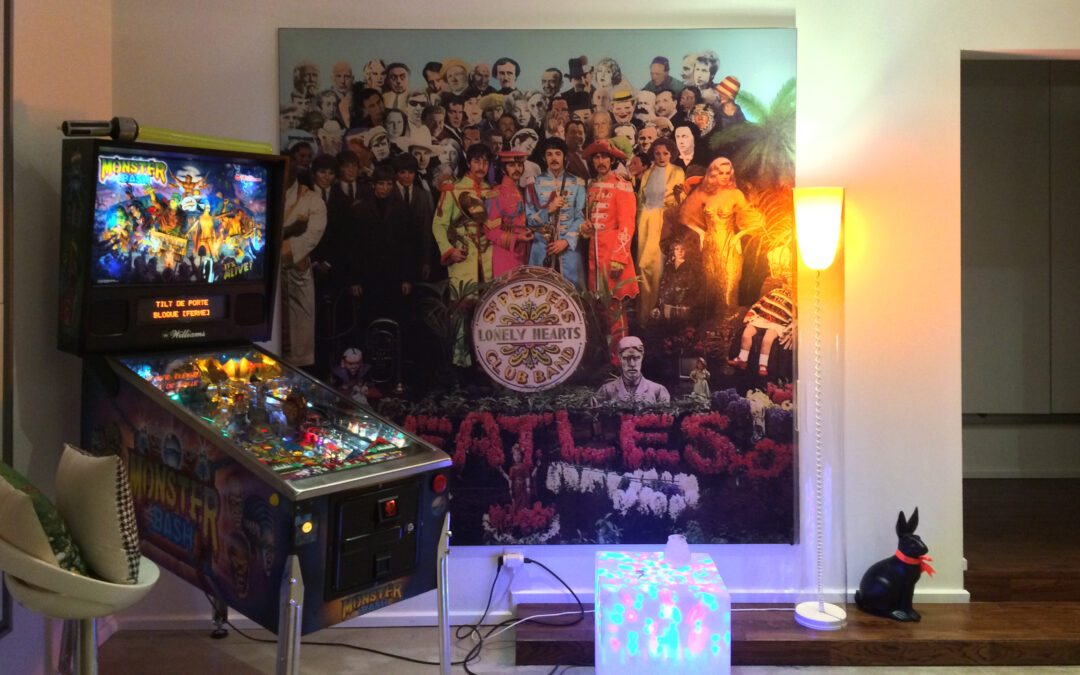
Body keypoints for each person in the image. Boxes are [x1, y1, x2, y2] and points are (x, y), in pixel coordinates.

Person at [579, 139, 639, 360]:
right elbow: (590, 219)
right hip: (595, 253)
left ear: (612, 160)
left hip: (614, 251)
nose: (600, 161)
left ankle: (619, 357)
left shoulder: (622, 184)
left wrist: (619, 258)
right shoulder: (592, 185)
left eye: (604, 157)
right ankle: (605, 356)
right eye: (596, 157)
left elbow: (627, 225)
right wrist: (585, 228)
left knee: (615, 307)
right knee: (600, 307)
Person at [679, 157, 756, 312]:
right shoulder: (703, 194)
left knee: (728, 287)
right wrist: (701, 233)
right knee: (712, 287)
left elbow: (753, 221)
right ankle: (713, 323)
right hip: (710, 245)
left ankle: (727, 322)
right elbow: (685, 215)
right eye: (721, 173)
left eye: (728, 173)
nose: (725, 176)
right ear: (713, 174)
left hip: (729, 245)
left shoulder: (736, 194)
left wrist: (738, 236)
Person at [281, 160, 327, 367]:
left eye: (288, 170)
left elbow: (312, 236)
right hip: (267, 273)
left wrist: (284, 250)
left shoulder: (312, 200)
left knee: (298, 331)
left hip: (296, 269)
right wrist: (290, 231)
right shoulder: (260, 195)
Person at [524, 137, 586, 288]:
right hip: (541, 248)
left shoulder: (577, 183)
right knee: (539, 290)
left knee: (572, 292)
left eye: (558, 153)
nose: (554, 158)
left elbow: (580, 217)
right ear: (544, 157)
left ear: (564, 156)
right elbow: (529, 219)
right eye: (549, 154)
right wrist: (548, 210)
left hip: (569, 249)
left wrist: (566, 241)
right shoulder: (534, 184)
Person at [635, 137, 684, 321]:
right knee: (643, 266)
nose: (661, 157)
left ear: (671, 154)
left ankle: (660, 317)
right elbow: (641, 200)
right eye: (657, 154)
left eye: (665, 153)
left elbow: (681, 200)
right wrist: (640, 223)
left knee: (660, 268)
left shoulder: (677, 171)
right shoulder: (648, 173)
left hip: (665, 222)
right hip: (646, 223)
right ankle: (644, 316)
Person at [432, 143, 495, 286]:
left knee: (489, 298)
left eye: (485, 162)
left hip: (489, 259)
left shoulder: (492, 190)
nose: (481, 166)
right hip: (463, 256)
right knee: (463, 297)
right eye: (477, 161)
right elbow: (439, 225)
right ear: (468, 163)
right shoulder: (453, 190)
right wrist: (449, 250)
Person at [485, 150, 534, 276]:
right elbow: (490, 231)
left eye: (519, 165)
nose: (517, 169)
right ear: (503, 169)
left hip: (524, 252)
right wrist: (516, 238)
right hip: (505, 252)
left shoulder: (522, 191)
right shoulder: (495, 194)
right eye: (511, 165)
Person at [729, 286, 794, 376]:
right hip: (762, 318)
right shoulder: (775, 291)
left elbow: (796, 317)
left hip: (777, 323)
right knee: (747, 333)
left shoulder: (797, 300)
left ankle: (763, 365)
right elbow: (759, 303)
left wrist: (792, 327)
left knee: (767, 340)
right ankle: (743, 359)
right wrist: (750, 314)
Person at [593, 336, 670, 405]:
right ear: (619, 358)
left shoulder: (658, 391)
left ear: (642, 357)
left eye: (636, 358)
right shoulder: (606, 391)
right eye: (626, 358)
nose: (632, 364)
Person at [652, 235, 703, 322]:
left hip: (683, 312)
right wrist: (657, 305)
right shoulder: (669, 267)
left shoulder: (691, 268)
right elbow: (662, 287)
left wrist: (688, 305)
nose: (680, 252)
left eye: (683, 249)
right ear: (673, 251)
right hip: (667, 311)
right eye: (677, 249)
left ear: (687, 251)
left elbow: (696, 290)